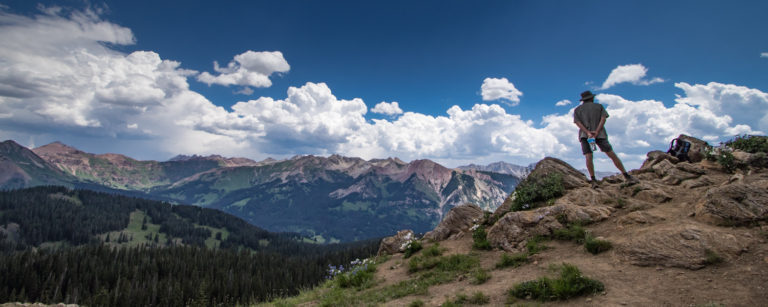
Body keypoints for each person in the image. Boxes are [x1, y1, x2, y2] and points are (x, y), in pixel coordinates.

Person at [573, 90, 638, 188]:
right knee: (611, 154)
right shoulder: (599, 107)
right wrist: (597, 131)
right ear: (592, 98)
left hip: (585, 136)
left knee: (588, 157)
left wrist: (587, 132)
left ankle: (593, 180)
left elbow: (578, 123)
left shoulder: (578, 110)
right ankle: (626, 175)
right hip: (600, 135)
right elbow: (603, 119)